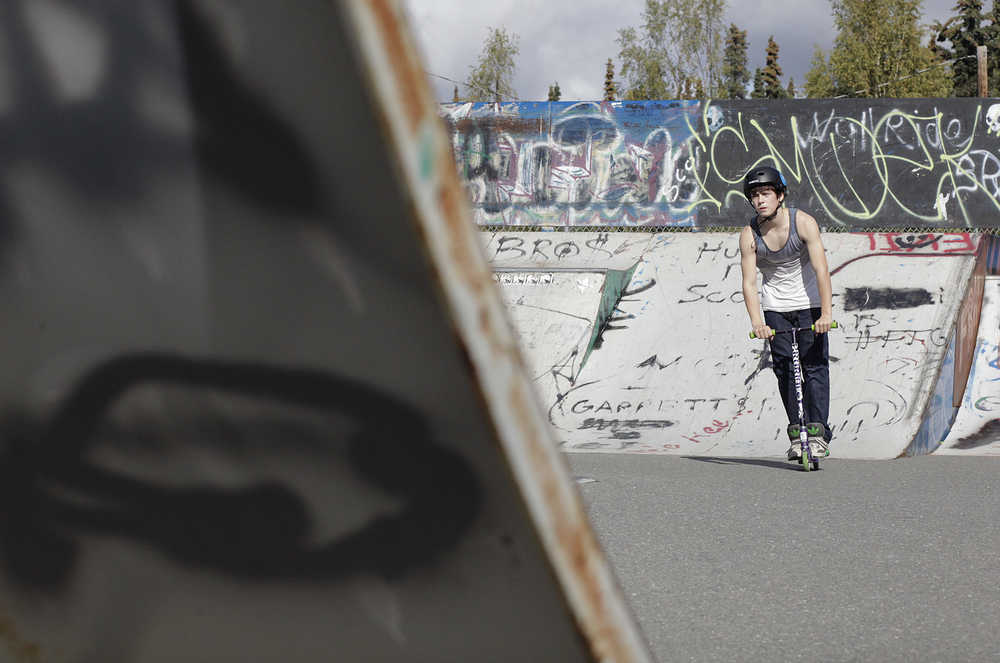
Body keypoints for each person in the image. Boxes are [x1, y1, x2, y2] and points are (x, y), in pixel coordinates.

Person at [738, 165, 834, 461]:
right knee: (785, 370)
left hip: (809, 304)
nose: (760, 200)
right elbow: (749, 282)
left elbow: (821, 269)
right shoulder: (749, 234)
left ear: (780, 195)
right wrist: (757, 322)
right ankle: (797, 433)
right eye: (755, 195)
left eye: (766, 193)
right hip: (776, 308)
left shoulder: (803, 223)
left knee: (814, 366)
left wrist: (826, 313)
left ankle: (818, 434)